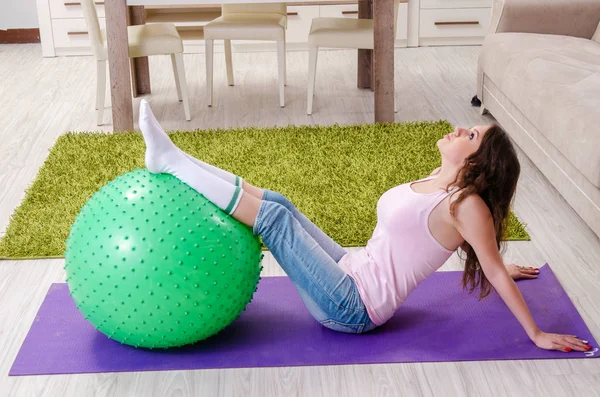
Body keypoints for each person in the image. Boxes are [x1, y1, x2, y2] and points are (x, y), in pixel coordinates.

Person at [138, 99, 592, 353]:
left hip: (353, 306)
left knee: (272, 219)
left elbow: (485, 258)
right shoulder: (442, 185)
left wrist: (535, 333)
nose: (460, 129)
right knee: (279, 203)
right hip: (353, 265)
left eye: (471, 136)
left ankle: (173, 164)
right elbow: (460, 246)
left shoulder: (465, 203)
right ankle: (177, 157)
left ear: (479, 163)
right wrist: (500, 263)